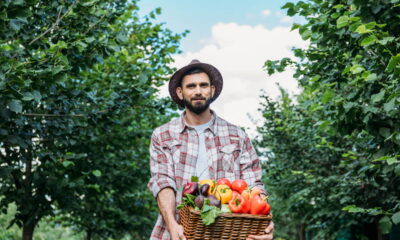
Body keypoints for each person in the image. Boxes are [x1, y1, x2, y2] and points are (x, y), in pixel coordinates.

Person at [147, 59, 274, 240]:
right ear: (180, 92)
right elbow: (163, 182)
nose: (198, 91)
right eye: (191, 86)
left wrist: (265, 222)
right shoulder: (163, 135)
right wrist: (172, 224)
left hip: (229, 232)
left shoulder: (237, 135)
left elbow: (254, 185)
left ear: (212, 90)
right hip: (177, 232)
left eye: (203, 85)